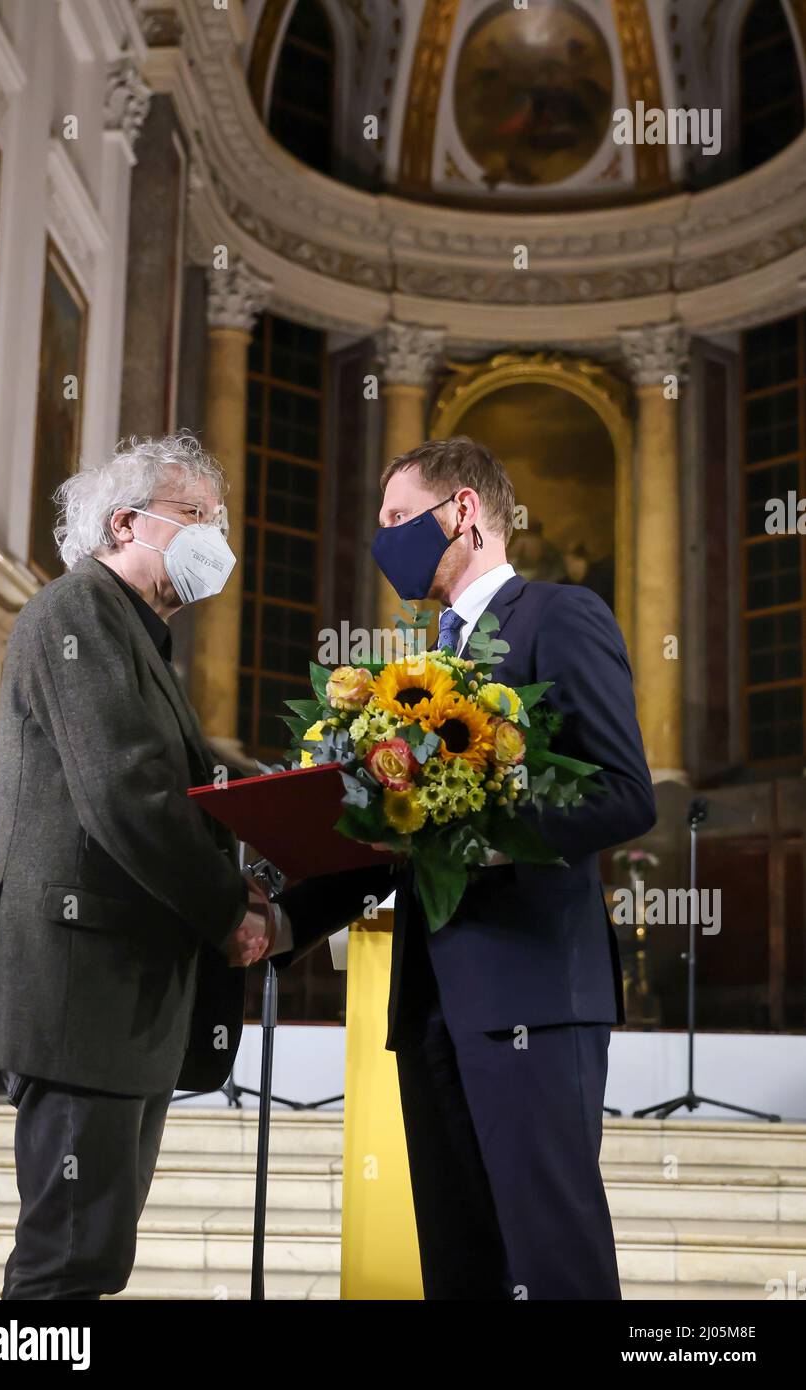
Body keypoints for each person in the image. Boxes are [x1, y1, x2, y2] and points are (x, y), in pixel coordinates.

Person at [270, 435, 656, 1300]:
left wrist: (482, 829)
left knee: (551, 1263)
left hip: (528, 988)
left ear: (465, 512)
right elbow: (402, 835)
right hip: (428, 1003)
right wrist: (289, 918)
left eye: (399, 519)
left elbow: (628, 796)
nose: (386, 542)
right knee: (458, 1264)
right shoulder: (416, 671)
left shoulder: (559, 615)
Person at [0, 433, 275, 1300]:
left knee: (92, 1255)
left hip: (114, 995)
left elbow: (190, 779)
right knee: (65, 1260)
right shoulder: (77, 613)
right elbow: (129, 792)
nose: (220, 537)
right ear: (126, 522)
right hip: (78, 990)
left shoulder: (131, 633)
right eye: (199, 517)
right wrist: (225, 910)